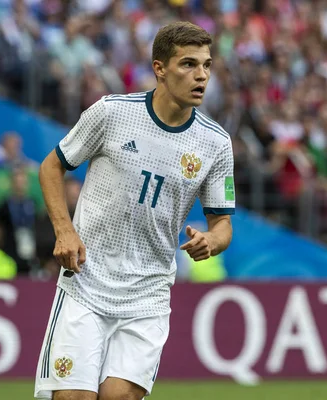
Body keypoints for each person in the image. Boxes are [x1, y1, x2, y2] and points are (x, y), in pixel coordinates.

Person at [34, 21, 235, 400]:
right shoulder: (112, 113)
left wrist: (213, 240)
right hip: (87, 282)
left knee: (119, 397)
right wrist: (65, 230)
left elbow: (222, 222)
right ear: (160, 68)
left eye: (207, 65)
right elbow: (51, 166)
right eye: (189, 64)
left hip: (148, 293)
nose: (201, 76)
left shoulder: (216, 144)